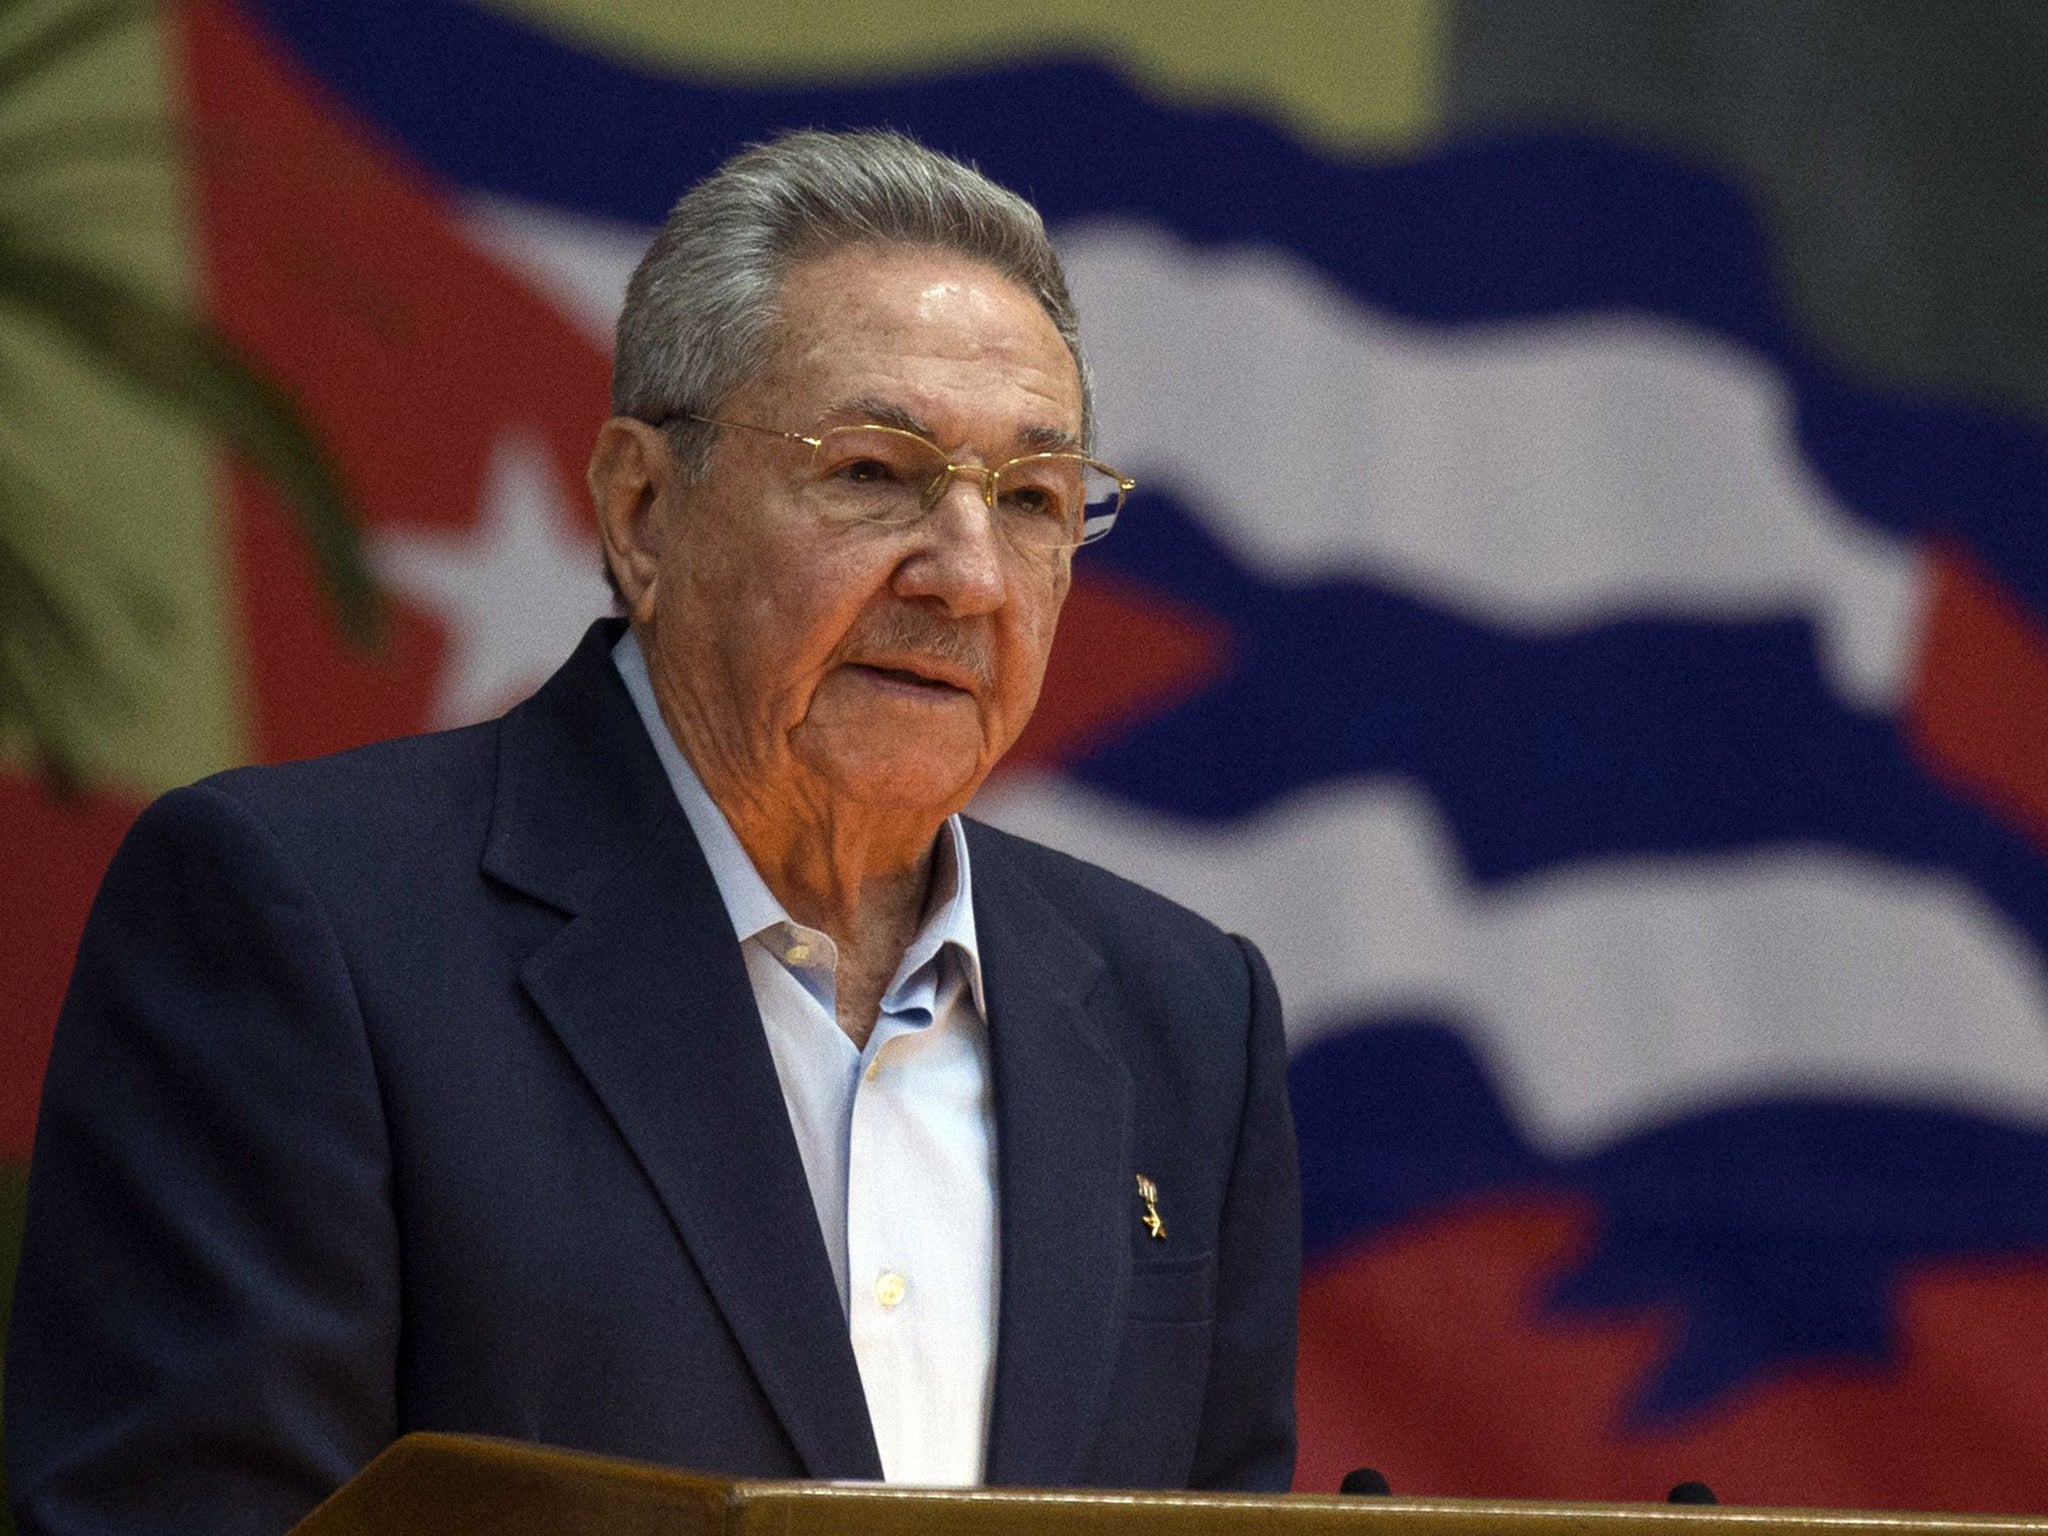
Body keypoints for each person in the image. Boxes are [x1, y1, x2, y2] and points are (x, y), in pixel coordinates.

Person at [6, 130, 1298, 1535]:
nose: (972, 577)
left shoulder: (1188, 1016)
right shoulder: (302, 923)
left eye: (1036, 500)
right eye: (875, 471)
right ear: (640, 508)